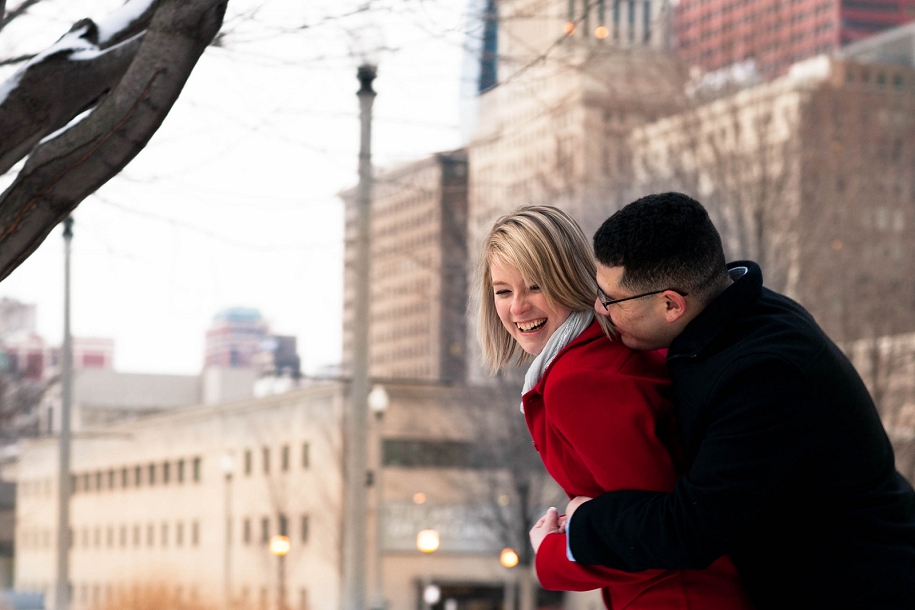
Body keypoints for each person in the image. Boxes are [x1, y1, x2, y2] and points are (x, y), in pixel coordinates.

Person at [553, 192, 915, 609]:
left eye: (611, 299)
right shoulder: (739, 318)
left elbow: (693, 528)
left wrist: (582, 525)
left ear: (671, 304)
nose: (600, 309)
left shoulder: (764, 375)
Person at [478, 205, 752, 609]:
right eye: (503, 291)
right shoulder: (592, 355)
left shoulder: (582, 378)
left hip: (679, 596)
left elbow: (657, 531)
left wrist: (554, 552)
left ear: (568, 278)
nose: (517, 307)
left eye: (535, 286)